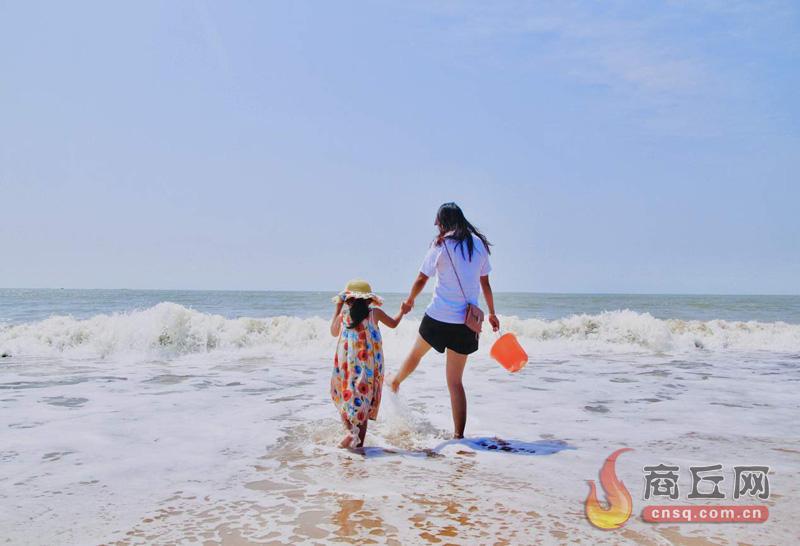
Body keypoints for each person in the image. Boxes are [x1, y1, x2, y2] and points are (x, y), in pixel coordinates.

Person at [389, 203, 499, 439]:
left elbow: (422, 278)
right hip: (465, 324)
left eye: (437, 220)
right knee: (455, 382)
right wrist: (491, 313)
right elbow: (485, 283)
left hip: (438, 317)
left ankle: (395, 383)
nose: (435, 224)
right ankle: (459, 436)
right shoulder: (478, 244)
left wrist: (409, 301)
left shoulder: (440, 245)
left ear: (443, 221)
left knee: (416, 354)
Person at [330, 279, 405, 448]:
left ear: (348, 300)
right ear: (369, 299)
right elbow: (393, 324)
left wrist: (338, 307)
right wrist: (402, 311)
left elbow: (333, 332)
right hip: (368, 367)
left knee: (346, 397)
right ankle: (359, 445)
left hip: (346, 366)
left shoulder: (344, 316)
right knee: (363, 401)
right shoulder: (374, 314)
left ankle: (350, 432)